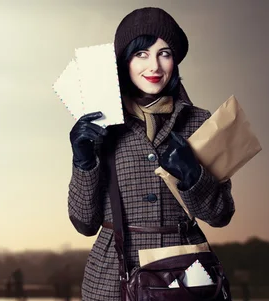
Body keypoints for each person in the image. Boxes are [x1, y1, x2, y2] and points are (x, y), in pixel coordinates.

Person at [67, 7, 235, 301]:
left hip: (184, 275)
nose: (154, 66)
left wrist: (193, 175)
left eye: (164, 53)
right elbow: (84, 223)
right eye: (141, 54)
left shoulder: (200, 121)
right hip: (113, 278)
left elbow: (221, 215)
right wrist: (83, 161)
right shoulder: (99, 124)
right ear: (124, 61)